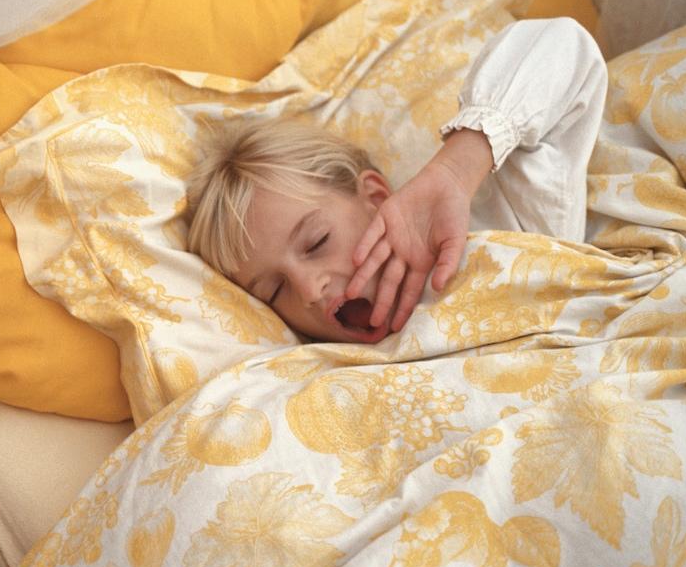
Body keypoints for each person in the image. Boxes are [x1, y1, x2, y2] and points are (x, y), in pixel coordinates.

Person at [186, 17, 607, 343]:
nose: (310, 290)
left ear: (375, 196)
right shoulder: (321, 365)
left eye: (317, 242)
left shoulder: (506, 222)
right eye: (273, 292)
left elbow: (562, 44)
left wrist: (456, 170)